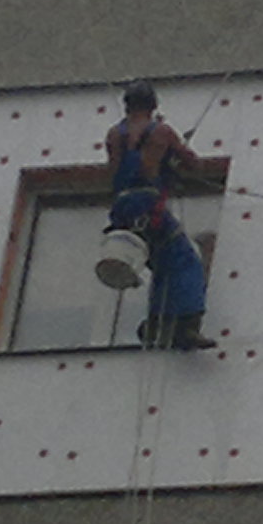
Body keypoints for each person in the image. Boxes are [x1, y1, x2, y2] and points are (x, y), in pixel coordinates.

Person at [104, 81, 217, 351]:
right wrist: (175, 159)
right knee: (186, 260)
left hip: (122, 208)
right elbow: (193, 163)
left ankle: (158, 322)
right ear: (153, 106)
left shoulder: (113, 134)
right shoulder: (161, 131)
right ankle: (187, 325)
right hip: (148, 203)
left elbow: (119, 170)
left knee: (163, 264)